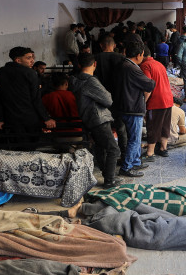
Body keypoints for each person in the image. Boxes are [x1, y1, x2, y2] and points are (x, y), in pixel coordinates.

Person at [71, 52, 120, 188]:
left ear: (79, 65)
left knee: (100, 148)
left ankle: (107, 175)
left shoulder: (74, 80)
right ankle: (110, 180)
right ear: (95, 64)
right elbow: (108, 100)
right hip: (98, 118)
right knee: (113, 149)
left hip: (87, 117)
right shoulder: (90, 81)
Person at [0, 47, 56, 139]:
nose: (32, 61)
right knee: (31, 144)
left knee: (15, 144)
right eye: (28, 58)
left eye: (32, 58)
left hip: (9, 118)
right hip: (29, 119)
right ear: (18, 60)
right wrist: (46, 118)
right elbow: (36, 99)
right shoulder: (30, 73)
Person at [116, 38, 156, 177]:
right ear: (139, 55)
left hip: (125, 106)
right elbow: (149, 84)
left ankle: (135, 162)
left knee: (135, 138)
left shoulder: (123, 65)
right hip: (132, 108)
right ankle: (126, 167)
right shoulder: (132, 68)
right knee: (134, 139)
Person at [140, 48, 173, 160]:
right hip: (168, 99)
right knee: (164, 125)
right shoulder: (159, 64)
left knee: (153, 126)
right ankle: (163, 148)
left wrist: (143, 103)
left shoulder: (145, 65)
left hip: (156, 100)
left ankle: (150, 153)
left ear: (142, 55)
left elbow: (148, 86)